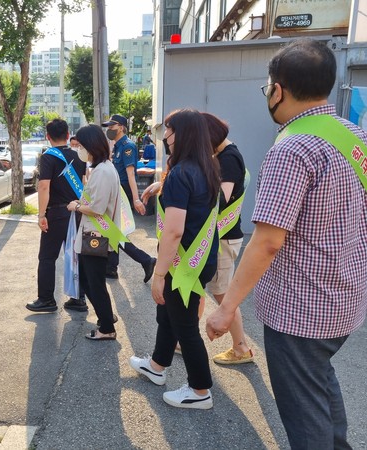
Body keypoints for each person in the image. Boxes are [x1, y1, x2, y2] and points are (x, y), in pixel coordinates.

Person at [206, 39, 367, 449]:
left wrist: (226, 308)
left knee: (303, 411)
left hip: (302, 309)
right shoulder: (353, 136)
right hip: (346, 298)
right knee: (320, 380)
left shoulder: (292, 147)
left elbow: (267, 242)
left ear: (278, 89)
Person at [130, 109, 220, 410]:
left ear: (182, 135)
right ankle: (157, 366)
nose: (164, 137)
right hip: (201, 259)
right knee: (170, 314)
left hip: (183, 265)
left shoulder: (182, 173)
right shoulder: (206, 167)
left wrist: (159, 274)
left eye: (167, 131)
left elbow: (174, 231)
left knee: (184, 324)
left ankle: (199, 390)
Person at [201, 112, 252, 365]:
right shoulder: (223, 155)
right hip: (219, 236)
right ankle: (182, 339)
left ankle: (241, 348)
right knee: (203, 288)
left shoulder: (229, 158)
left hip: (223, 236)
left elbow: (221, 199)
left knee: (223, 295)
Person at [26, 119, 87, 313]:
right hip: (76, 211)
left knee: (47, 257)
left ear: (47, 136)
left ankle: (46, 299)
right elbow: (84, 183)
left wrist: (41, 214)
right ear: (68, 134)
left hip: (57, 213)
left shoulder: (48, 157)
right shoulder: (79, 156)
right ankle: (78, 299)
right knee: (76, 254)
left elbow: (44, 186)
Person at [67, 124, 121, 340]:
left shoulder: (102, 172)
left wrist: (76, 207)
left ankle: (107, 327)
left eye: (81, 145)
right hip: (95, 234)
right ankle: (106, 317)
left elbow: (97, 208)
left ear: (91, 145)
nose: (79, 150)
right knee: (91, 281)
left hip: (96, 236)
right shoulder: (103, 168)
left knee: (92, 282)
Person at [101, 114, 156, 281]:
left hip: (122, 192)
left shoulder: (128, 146)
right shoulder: (117, 145)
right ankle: (111, 268)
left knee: (113, 231)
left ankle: (146, 260)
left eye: (113, 126)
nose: (110, 129)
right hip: (116, 191)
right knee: (114, 230)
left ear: (122, 127)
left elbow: (131, 175)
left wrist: (136, 199)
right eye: (108, 126)